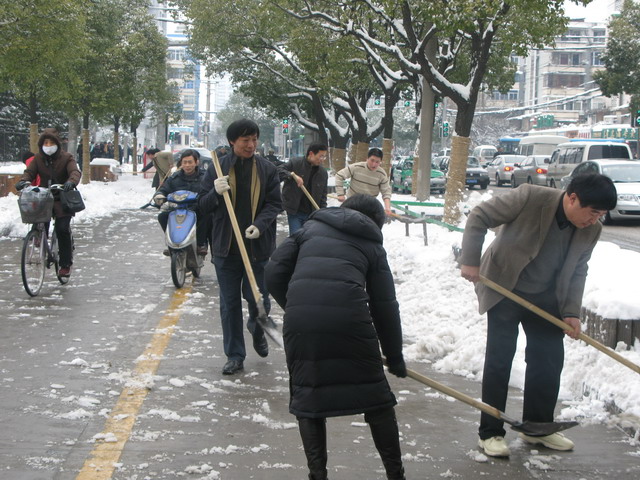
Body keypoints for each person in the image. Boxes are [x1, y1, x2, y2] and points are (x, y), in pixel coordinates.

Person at [459, 174, 617, 458]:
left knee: (548, 360)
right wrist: (470, 260)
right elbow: (480, 215)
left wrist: (571, 312)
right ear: (572, 198)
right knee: (500, 358)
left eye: (601, 214)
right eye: (593, 212)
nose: (594, 219)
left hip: (546, 297)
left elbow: (579, 270)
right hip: (505, 286)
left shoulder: (591, 231)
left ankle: (538, 428)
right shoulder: (530, 196)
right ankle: (491, 432)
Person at [265, 194, 407, 480]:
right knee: (376, 399)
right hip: (350, 321)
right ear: (376, 222)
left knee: (309, 395)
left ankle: (317, 475)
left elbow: (272, 273)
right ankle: (396, 475)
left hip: (301, 324)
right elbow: (384, 306)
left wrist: (296, 306)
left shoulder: (306, 231)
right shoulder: (372, 244)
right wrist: (394, 356)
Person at [198, 119, 282, 375]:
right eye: (245, 140)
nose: (251, 145)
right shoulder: (217, 168)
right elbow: (201, 205)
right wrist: (214, 192)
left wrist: (260, 224)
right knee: (229, 304)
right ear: (232, 141)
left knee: (260, 302)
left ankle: (257, 330)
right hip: (226, 248)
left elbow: (275, 204)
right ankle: (235, 355)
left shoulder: (267, 169)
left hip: (257, 249)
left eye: (254, 139)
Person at [15, 128, 81, 278]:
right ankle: (38, 236)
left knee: (62, 228)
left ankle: (65, 264)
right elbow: (29, 172)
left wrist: (71, 182)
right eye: (46, 143)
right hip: (43, 197)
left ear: (57, 144)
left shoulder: (67, 157)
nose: (48, 145)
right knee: (37, 220)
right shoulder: (38, 159)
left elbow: (74, 172)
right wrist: (24, 181)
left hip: (61, 198)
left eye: (51, 142)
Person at [153, 149, 209, 256]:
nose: (187, 165)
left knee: (207, 217)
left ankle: (201, 244)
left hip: (198, 208)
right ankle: (171, 244)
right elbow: (164, 188)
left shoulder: (205, 177)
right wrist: (159, 195)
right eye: (185, 162)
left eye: (190, 162)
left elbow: (210, 190)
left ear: (196, 162)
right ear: (181, 163)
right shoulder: (175, 177)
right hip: (178, 208)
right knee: (163, 217)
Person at [278, 143, 328, 234]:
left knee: (308, 240)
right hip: (295, 211)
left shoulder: (323, 173)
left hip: (312, 213)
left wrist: (322, 213)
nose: (322, 160)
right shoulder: (295, 163)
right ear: (311, 153)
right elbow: (278, 171)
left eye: (324, 157)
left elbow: (323, 196)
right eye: (321, 156)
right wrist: (291, 176)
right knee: (296, 238)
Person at [335, 147, 392, 214]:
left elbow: (386, 192)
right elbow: (339, 175)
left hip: (368, 206)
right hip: (351, 203)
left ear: (380, 162)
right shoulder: (356, 167)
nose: (374, 164)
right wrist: (340, 194)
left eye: (377, 162)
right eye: (372, 160)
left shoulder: (382, 174)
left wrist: (387, 207)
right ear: (367, 159)